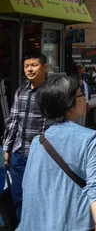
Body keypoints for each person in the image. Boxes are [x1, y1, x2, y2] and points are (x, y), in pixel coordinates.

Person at [19, 75, 96, 231]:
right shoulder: (91, 138)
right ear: (69, 104)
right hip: (75, 222)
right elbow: (95, 185)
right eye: (81, 95)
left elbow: (28, 186)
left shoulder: (38, 141)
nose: (84, 98)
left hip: (36, 223)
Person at [2, 53, 49, 222]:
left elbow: (53, 124)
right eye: (26, 66)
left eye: (34, 65)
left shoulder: (51, 92)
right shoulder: (20, 91)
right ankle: (24, 225)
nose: (29, 69)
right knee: (18, 193)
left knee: (39, 193)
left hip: (42, 153)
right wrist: (7, 148)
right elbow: (13, 120)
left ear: (45, 67)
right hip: (19, 151)